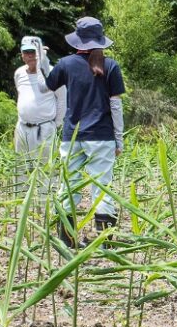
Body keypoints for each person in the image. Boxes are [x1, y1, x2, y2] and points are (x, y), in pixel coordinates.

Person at [45, 17, 125, 247]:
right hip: (102, 136)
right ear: (100, 40)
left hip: (73, 136)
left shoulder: (65, 64)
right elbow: (116, 106)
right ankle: (104, 242)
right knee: (102, 187)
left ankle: (66, 240)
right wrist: (119, 139)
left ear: (77, 40)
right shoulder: (110, 66)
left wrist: (42, 62)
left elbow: (48, 86)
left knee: (68, 185)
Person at [13, 36, 64, 195]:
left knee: (46, 167)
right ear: (22, 55)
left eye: (33, 52)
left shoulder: (52, 72)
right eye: (26, 52)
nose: (30, 56)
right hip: (22, 127)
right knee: (21, 166)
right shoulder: (19, 73)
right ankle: (20, 200)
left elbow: (63, 100)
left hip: (45, 128)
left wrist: (55, 124)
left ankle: (45, 202)